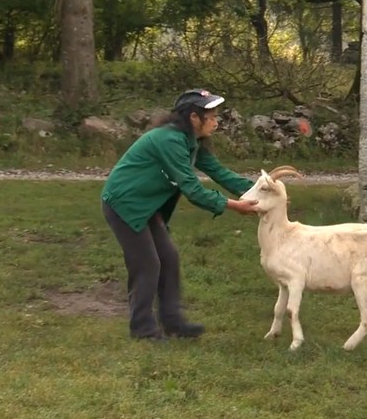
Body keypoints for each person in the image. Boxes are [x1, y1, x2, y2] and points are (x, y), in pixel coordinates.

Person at [100, 88, 260, 342]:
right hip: (125, 204)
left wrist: (260, 189)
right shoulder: (170, 141)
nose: (216, 122)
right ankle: (143, 330)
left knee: (169, 258)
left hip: (146, 205)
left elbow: (219, 172)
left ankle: (173, 323)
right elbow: (193, 190)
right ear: (194, 118)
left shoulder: (191, 142)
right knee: (148, 264)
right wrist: (234, 205)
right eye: (212, 116)